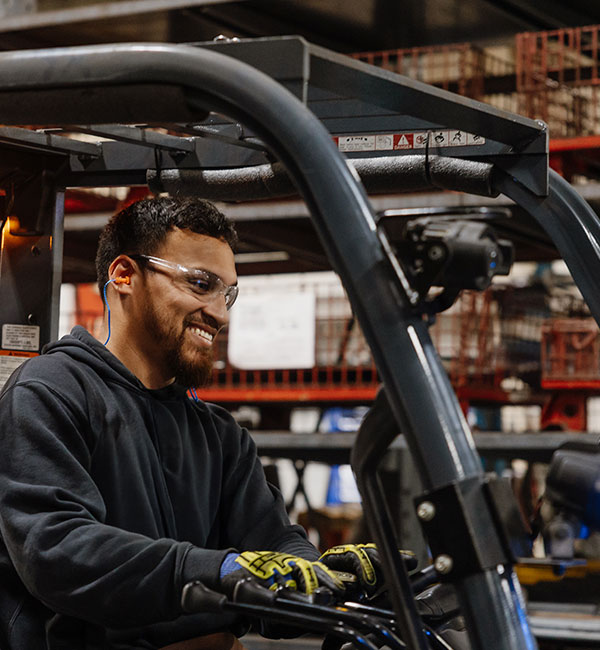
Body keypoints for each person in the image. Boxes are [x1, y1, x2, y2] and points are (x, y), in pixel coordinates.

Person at [0, 197, 392, 650]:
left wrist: (319, 580)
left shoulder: (219, 436)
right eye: (201, 284)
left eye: (227, 294)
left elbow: (273, 542)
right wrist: (218, 571)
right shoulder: (50, 395)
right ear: (124, 276)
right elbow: (59, 553)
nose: (221, 314)